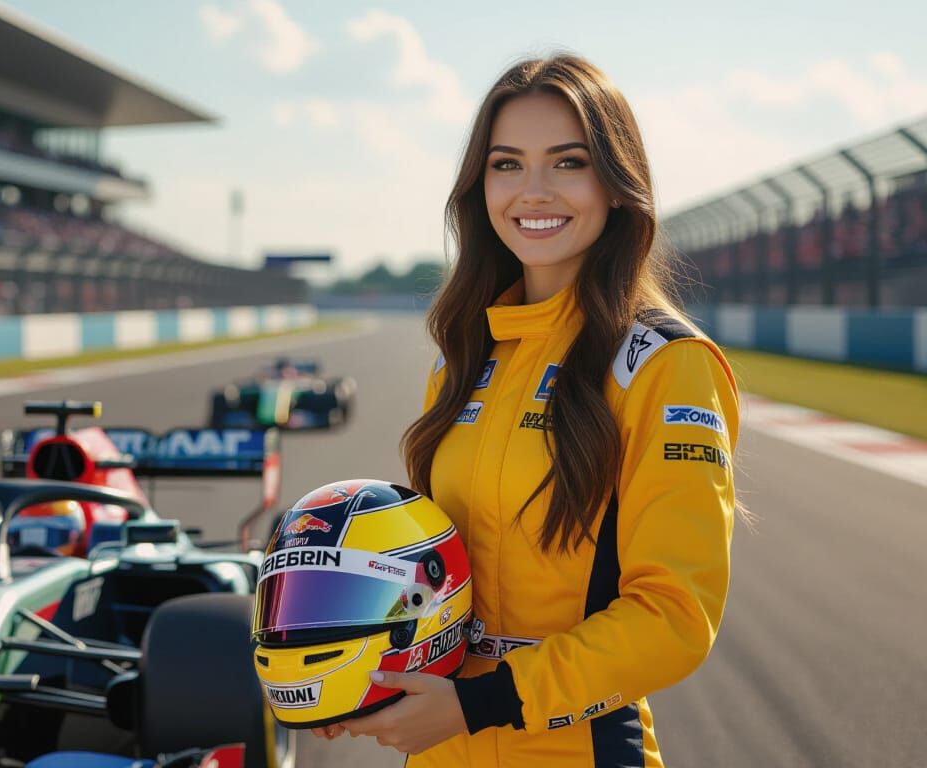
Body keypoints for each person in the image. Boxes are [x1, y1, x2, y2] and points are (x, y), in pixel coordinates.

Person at [312, 54, 741, 766]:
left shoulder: (666, 366)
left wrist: (481, 705)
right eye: (506, 164)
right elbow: (434, 580)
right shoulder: (463, 360)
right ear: (479, 186)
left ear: (615, 181)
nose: (532, 191)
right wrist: (355, 676)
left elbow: (673, 619)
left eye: (567, 162)